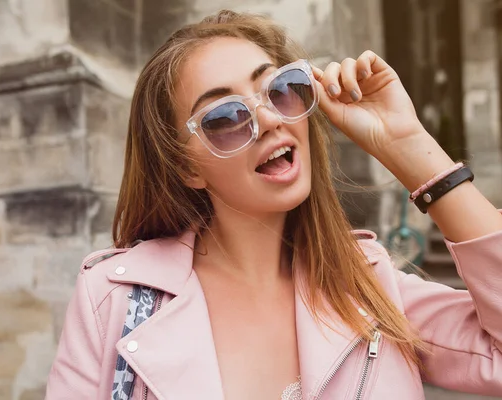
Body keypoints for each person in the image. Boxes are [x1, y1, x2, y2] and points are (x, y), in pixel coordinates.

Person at [45, 10, 502, 400]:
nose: (268, 119)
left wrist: (408, 146)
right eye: (224, 116)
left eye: (280, 89)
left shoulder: (370, 287)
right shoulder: (113, 300)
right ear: (187, 169)